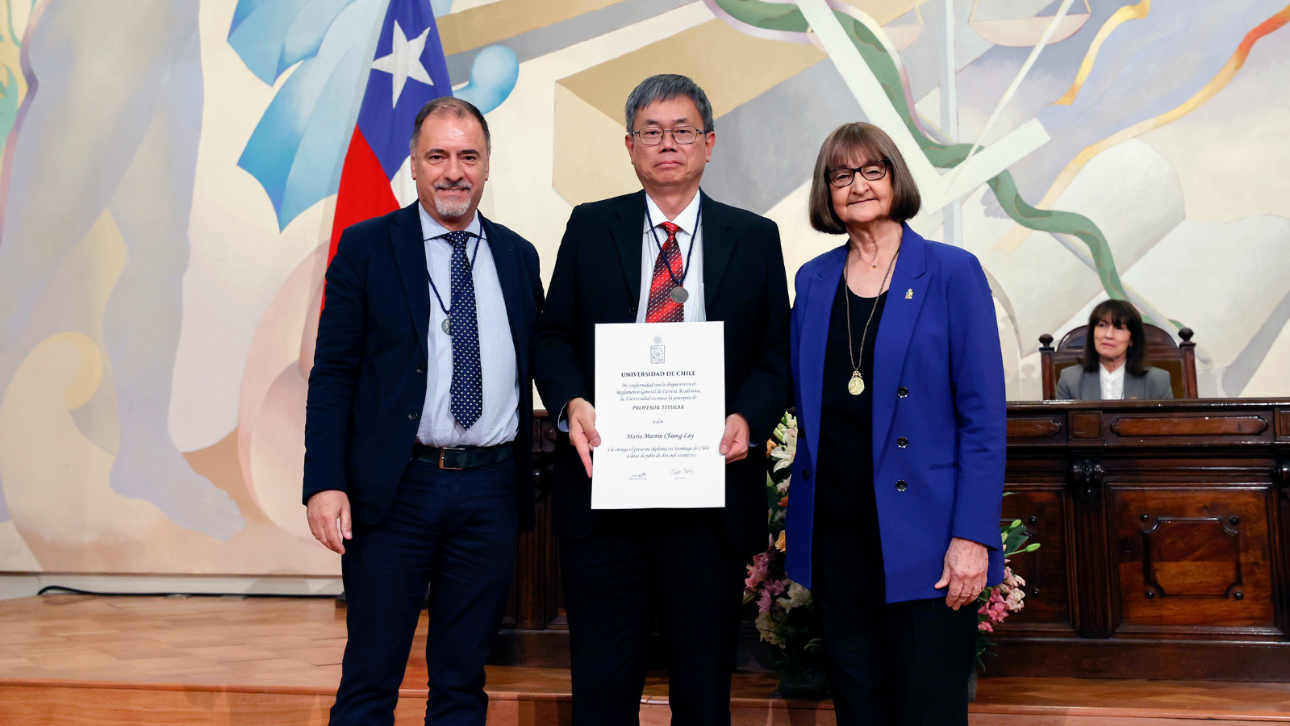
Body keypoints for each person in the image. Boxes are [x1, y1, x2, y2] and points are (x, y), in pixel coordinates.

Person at [532, 74, 792, 726]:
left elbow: (775, 355)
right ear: (629, 145)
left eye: (681, 131)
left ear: (708, 142)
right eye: (652, 131)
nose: (666, 144)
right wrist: (572, 403)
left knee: (703, 689)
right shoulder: (591, 228)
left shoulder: (754, 237)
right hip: (607, 495)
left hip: (706, 495)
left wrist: (747, 418)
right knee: (601, 683)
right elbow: (553, 337)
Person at [303, 97, 543, 726]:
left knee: (463, 683)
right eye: (437, 156)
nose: (453, 171)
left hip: (490, 492)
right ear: (413, 164)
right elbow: (333, 374)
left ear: (488, 165)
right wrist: (324, 482)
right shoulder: (367, 248)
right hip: (396, 491)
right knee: (370, 679)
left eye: (469, 156)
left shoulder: (519, 257)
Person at [783, 122, 1007, 725]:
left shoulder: (952, 272)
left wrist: (973, 538)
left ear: (895, 179)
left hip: (928, 540)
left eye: (871, 171)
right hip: (836, 540)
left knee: (927, 710)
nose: (857, 185)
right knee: (858, 709)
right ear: (826, 192)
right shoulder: (813, 280)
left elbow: (983, 420)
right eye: (841, 175)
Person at [1056, 299, 1174, 400]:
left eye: (1119, 328)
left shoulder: (1157, 380)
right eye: (1102, 325)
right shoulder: (1070, 379)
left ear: (1132, 339)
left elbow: (1164, 425)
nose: (1108, 335)